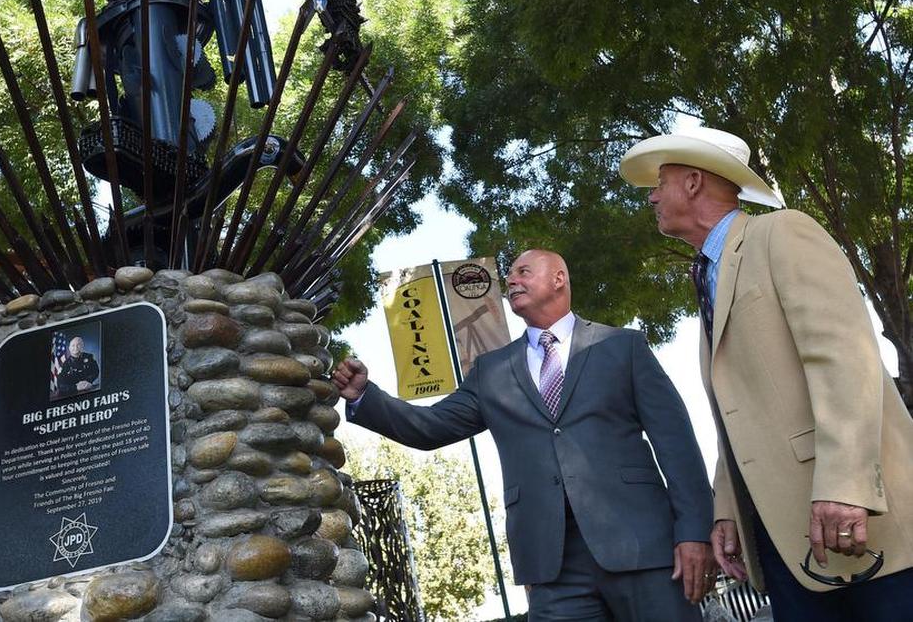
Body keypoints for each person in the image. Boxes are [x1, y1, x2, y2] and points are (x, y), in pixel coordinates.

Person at [619, 126, 913, 620]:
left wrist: (845, 486)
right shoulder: (706, 276)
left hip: (859, 529)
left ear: (693, 183)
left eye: (659, 183)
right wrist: (729, 510)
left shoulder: (782, 232)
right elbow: (735, 413)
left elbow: (844, 358)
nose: (651, 197)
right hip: (782, 540)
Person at [333, 249, 715, 621]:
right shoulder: (491, 370)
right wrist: (365, 397)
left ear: (558, 279)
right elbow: (431, 427)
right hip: (552, 567)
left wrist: (695, 532)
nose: (511, 280)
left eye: (523, 271)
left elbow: (677, 444)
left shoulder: (622, 346)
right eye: (510, 275)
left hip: (644, 549)